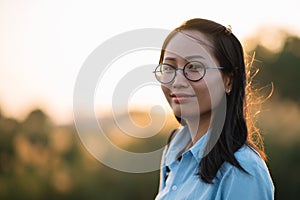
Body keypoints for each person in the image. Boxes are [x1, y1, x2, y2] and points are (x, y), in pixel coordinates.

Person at [153, 18, 274, 200]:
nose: (177, 82)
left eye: (194, 67)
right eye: (169, 67)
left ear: (228, 80)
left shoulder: (243, 169)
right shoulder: (174, 150)